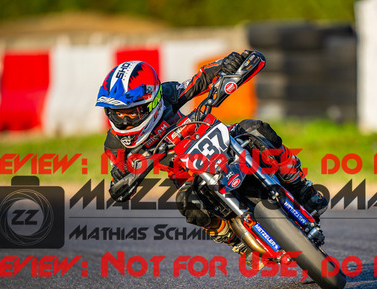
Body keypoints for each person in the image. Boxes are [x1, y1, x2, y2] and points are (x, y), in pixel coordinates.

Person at [95, 51, 328, 252]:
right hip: (188, 174)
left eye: (131, 112)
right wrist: (120, 179)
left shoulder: (167, 94)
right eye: (117, 113)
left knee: (256, 129)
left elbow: (200, 80)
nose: (123, 120)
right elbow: (120, 186)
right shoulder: (114, 144)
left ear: (152, 101)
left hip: (213, 136)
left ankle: (301, 187)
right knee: (187, 203)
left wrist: (226, 64)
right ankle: (234, 239)